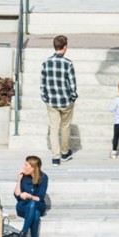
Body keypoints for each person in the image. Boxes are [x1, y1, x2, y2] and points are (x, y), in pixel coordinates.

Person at [39, 34, 77, 164]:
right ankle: (65, 153)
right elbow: (72, 84)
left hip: (51, 101)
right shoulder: (68, 63)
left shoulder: (46, 62)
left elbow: (42, 83)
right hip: (66, 100)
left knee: (54, 129)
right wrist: (73, 96)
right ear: (65, 47)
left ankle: (56, 157)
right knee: (65, 127)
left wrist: (45, 97)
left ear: (54, 46)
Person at [13, 155, 47, 237]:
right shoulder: (24, 177)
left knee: (33, 203)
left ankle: (23, 233)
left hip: (38, 205)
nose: (24, 167)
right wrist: (19, 179)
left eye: (26, 165)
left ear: (33, 168)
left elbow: (40, 197)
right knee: (35, 215)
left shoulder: (44, 178)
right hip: (23, 206)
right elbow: (17, 195)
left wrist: (29, 196)